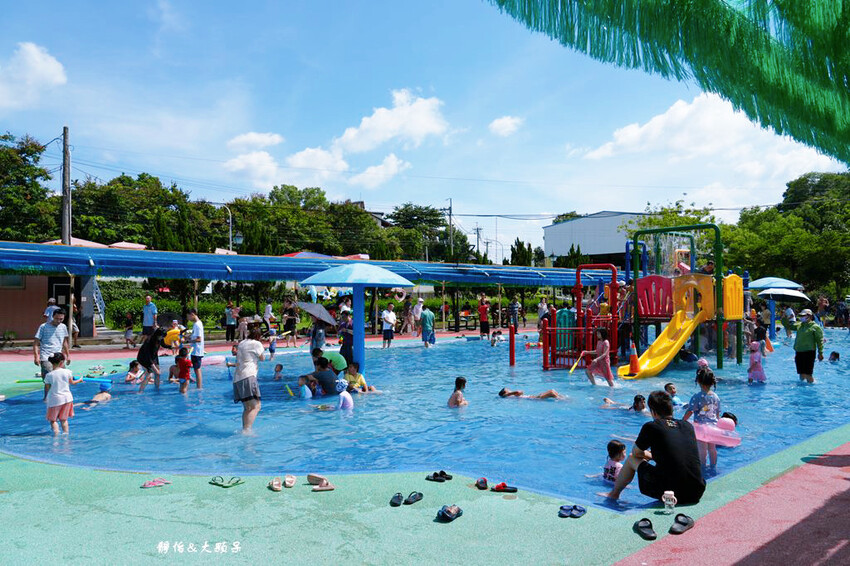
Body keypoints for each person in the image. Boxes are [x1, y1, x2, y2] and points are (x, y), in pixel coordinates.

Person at [604, 391, 705, 504]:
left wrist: (648, 455)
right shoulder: (688, 426)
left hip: (671, 493)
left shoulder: (651, 427)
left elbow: (636, 453)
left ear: (652, 411)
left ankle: (613, 495)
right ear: (671, 408)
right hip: (696, 491)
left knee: (632, 458)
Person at [683, 369, 721, 474]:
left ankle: (703, 468)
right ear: (712, 383)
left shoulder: (697, 397)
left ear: (699, 382)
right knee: (712, 448)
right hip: (713, 427)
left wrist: (683, 421)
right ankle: (713, 467)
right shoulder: (715, 396)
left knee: (702, 449)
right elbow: (717, 413)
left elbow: (690, 410)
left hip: (701, 428)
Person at [34, 308, 71, 399]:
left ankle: (60, 398)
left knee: (63, 378)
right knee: (50, 379)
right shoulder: (43, 326)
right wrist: (36, 357)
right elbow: (36, 343)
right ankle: (46, 398)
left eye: (61, 319)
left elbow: (64, 342)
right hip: (46, 357)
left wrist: (68, 355)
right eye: (57, 318)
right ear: (53, 316)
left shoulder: (63, 327)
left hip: (59, 357)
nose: (59, 321)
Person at [233, 328, 265, 432]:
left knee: (247, 408)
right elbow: (262, 358)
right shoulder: (257, 344)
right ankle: (247, 430)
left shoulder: (242, 342)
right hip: (248, 376)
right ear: (259, 336)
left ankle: (244, 429)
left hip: (237, 378)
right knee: (256, 406)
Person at [44, 352, 83, 434]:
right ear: (62, 362)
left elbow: (47, 388)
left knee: (53, 420)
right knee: (63, 419)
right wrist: (80, 380)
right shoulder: (67, 372)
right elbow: (72, 382)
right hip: (67, 398)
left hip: (55, 400)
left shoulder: (49, 375)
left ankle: (56, 435)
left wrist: (45, 397)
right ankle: (66, 433)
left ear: (51, 362)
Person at [793, 308, 824, 383]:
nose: (801, 317)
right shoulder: (799, 326)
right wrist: (784, 317)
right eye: (801, 316)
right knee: (801, 373)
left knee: (808, 374)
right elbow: (788, 326)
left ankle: (811, 388)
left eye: (803, 315)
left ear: (809, 316)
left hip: (809, 352)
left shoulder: (815, 327)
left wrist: (820, 353)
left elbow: (819, 341)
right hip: (799, 351)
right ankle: (801, 390)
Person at [137, 327, 166, 392]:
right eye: (162, 337)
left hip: (153, 357)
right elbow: (148, 357)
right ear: (158, 335)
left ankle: (157, 389)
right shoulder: (149, 341)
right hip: (144, 358)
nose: (162, 338)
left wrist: (171, 347)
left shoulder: (159, 339)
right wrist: (154, 368)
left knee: (158, 374)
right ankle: (140, 391)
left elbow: (164, 345)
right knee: (149, 375)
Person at [186, 309, 204, 389]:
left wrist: (189, 340)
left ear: (192, 314)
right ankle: (199, 387)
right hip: (195, 350)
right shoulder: (197, 324)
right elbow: (195, 336)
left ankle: (199, 388)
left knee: (197, 370)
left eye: (188, 316)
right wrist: (188, 337)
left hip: (197, 350)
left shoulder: (197, 325)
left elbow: (198, 339)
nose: (188, 318)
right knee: (197, 369)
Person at [498, 387, 563, 400]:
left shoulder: (510, 396)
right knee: (551, 392)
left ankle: (562, 398)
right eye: (507, 389)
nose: (509, 389)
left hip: (533, 397)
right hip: (534, 398)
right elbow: (520, 392)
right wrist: (511, 392)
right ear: (505, 392)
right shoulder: (506, 395)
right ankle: (563, 400)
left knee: (552, 391)